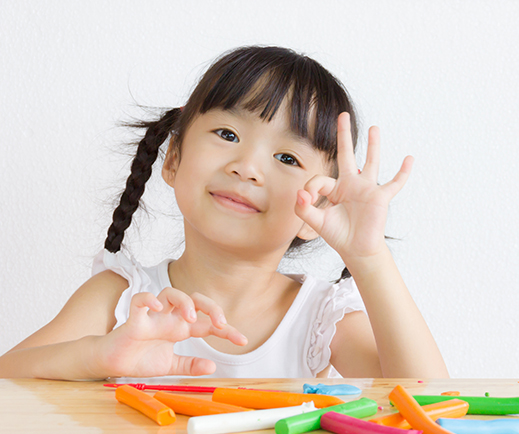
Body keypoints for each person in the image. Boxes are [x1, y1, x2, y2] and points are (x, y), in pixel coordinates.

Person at [0, 46, 449, 380]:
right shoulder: (121, 299)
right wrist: (98, 355)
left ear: (322, 208)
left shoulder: (319, 318)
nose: (247, 167)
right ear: (172, 159)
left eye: (288, 159)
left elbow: (437, 407)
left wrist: (368, 259)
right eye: (227, 133)